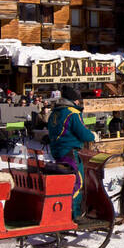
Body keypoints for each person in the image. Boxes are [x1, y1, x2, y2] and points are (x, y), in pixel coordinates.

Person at [47, 87, 97, 219]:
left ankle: (62, 210)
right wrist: (93, 136)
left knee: (65, 182)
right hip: (70, 152)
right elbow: (83, 133)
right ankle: (73, 213)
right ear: (74, 100)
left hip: (57, 152)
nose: (79, 103)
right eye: (77, 100)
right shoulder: (72, 113)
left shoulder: (54, 113)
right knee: (77, 182)